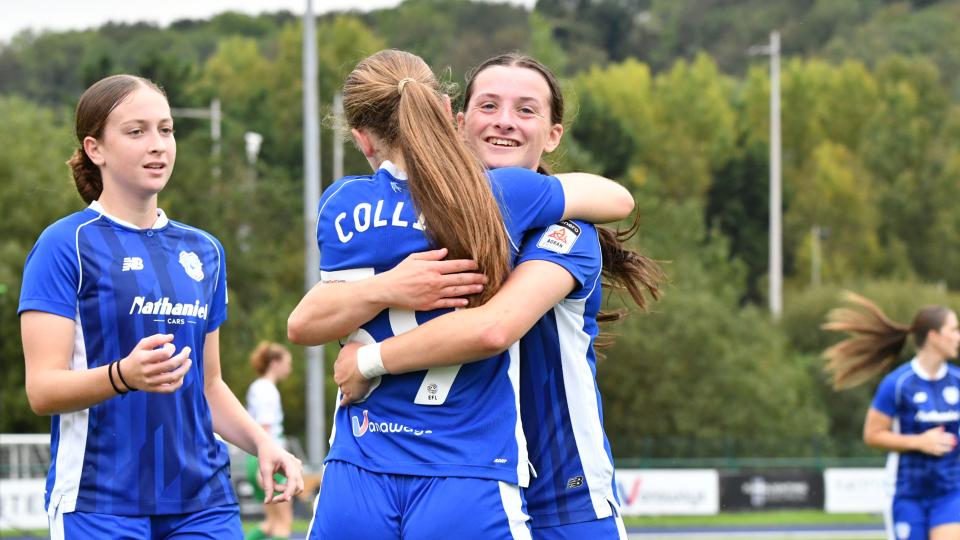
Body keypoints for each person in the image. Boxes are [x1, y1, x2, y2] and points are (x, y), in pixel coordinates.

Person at [287, 49, 635, 539]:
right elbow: (306, 317)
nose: (505, 122)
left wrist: (368, 360)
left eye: (526, 109)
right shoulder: (457, 214)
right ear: (452, 120)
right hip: (464, 475)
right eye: (488, 106)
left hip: (563, 495)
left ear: (554, 133)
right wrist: (387, 286)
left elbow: (491, 327)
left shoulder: (562, 229)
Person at [19, 74, 303, 539]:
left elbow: (208, 385)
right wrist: (123, 376)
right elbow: (42, 390)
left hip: (203, 503)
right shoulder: (64, 244)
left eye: (166, 130)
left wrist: (261, 443)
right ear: (96, 149)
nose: (158, 145)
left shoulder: (205, 250)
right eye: (136, 132)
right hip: (99, 504)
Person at [823, 292, 960, 540]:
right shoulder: (897, 384)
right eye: (954, 329)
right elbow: (872, 435)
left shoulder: (957, 381)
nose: (958, 337)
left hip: (950, 491)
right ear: (934, 336)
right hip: (907, 493)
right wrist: (919, 442)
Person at [245, 342, 294, 540]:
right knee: (283, 525)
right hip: (268, 459)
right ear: (275, 363)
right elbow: (265, 431)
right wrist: (263, 466)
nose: (289, 368)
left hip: (254, 458)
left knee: (271, 524)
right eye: (287, 363)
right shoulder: (268, 391)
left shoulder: (257, 387)